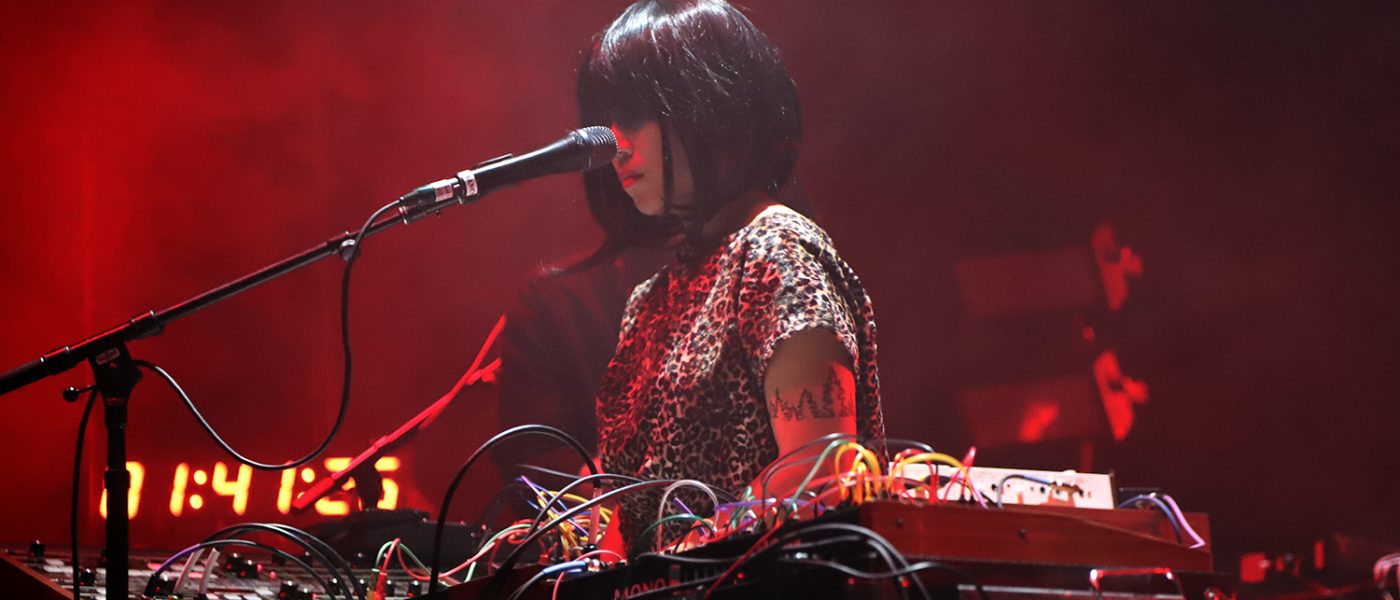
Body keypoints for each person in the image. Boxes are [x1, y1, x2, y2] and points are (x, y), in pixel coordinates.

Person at [578, 0, 888, 553]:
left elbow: (821, 472)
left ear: (711, 110)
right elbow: (627, 509)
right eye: (608, 121)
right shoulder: (648, 302)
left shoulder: (775, 252)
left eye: (637, 115)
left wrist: (678, 560)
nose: (615, 144)